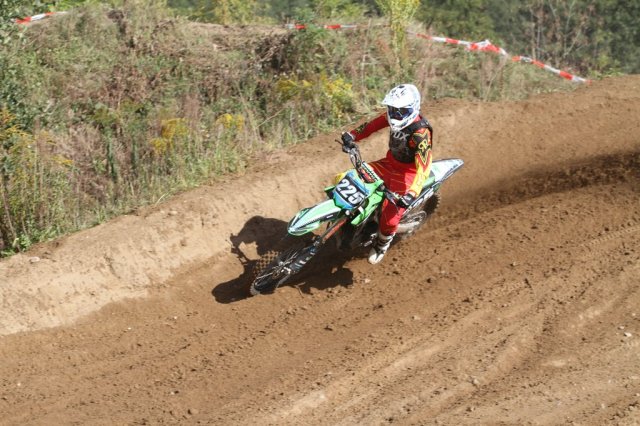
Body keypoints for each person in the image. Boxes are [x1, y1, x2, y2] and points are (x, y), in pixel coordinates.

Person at [341, 83, 433, 264]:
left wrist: (412, 193)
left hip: (408, 174)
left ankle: (382, 244)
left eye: (400, 111)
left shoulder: (420, 133)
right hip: (389, 163)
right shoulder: (392, 117)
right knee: (351, 178)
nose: (395, 114)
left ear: (412, 108)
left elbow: (424, 166)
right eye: (393, 109)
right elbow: (372, 125)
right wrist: (352, 135)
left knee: (390, 218)